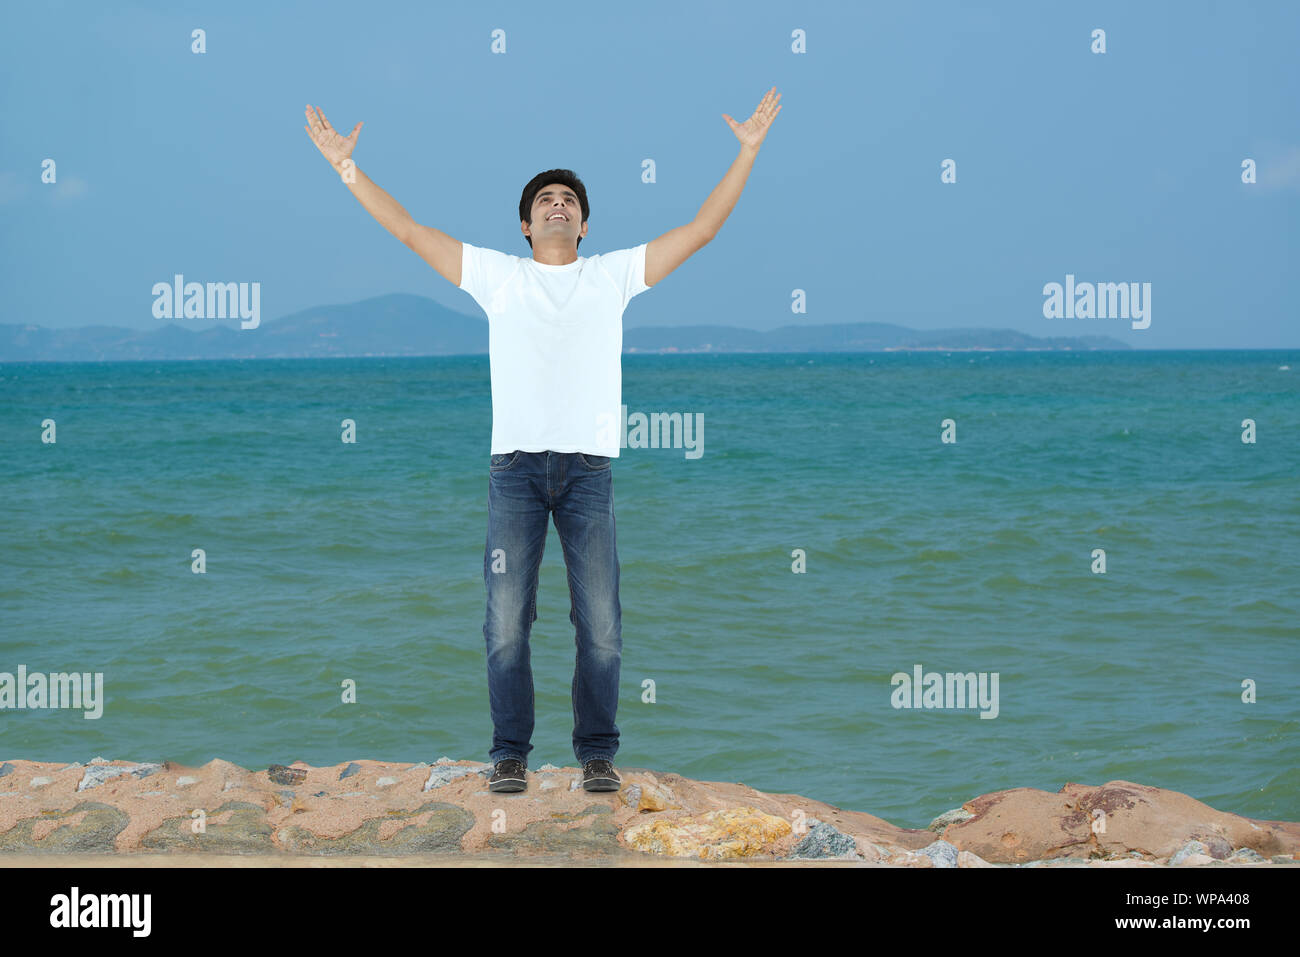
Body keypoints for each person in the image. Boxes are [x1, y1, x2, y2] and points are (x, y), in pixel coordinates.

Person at [303, 87, 782, 793]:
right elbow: (408, 230)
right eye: (545, 200)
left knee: (602, 627)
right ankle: (510, 755)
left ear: (584, 225)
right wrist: (344, 165)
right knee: (505, 623)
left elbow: (703, 228)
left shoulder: (611, 276)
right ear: (525, 226)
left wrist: (747, 151)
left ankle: (597, 755)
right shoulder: (498, 277)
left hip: (589, 473)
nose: (558, 204)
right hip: (515, 472)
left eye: (569, 200)